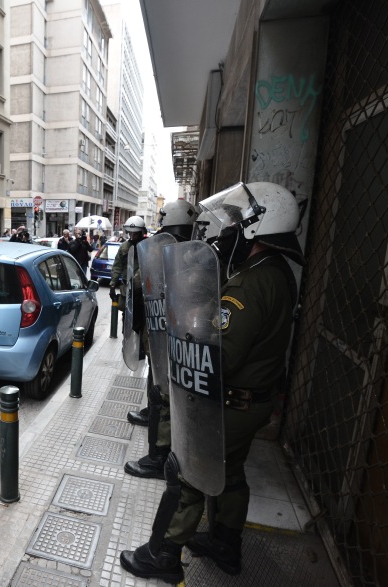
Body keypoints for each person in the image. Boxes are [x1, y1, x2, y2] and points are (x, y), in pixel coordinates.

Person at [120, 182, 305, 583]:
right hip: (253, 400)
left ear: (258, 227)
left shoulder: (253, 284)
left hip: (235, 401)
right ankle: (225, 543)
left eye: (237, 223)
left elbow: (219, 355)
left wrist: (190, 329)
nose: (229, 232)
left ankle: (162, 554)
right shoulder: (271, 273)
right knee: (231, 471)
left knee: (186, 472)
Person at [124, 200, 198, 480]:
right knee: (158, 384)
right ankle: (157, 438)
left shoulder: (167, 251)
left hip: (168, 330)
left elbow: (141, 283)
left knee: (163, 393)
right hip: (169, 330)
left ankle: (159, 458)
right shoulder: (194, 251)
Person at [108, 216, 146, 308]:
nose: (133, 235)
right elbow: (117, 266)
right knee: (126, 315)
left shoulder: (147, 246)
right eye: (131, 233)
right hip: (127, 288)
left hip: (144, 289)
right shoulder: (124, 247)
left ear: (141, 232)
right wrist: (112, 284)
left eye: (135, 233)